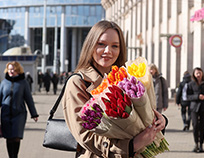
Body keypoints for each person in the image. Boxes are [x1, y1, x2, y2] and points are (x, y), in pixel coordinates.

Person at [62, 20, 167, 158]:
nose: (108, 51)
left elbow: (142, 113)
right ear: (90, 45)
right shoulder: (78, 82)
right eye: (101, 44)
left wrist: (159, 122)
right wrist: (131, 145)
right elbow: (84, 135)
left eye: (115, 46)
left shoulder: (128, 77)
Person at [0, 61, 39, 158]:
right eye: (9, 69)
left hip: (19, 115)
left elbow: (29, 99)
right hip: (6, 115)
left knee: (16, 137)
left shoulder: (23, 83)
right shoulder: (4, 82)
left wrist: (34, 114)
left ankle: (15, 156)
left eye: (13, 69)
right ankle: (11, 156)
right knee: (9, 138)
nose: (11, 71)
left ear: (18, 70)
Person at [187, 67, 204, 153]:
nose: (198, 75)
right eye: (197, 73)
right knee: (195, 125)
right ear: (194, 74)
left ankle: (201, 144)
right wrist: (197, 97)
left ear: (202, 74)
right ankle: (196, 144)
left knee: (202, 126)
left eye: (200, 73)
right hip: (194, 107)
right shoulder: (191, 84)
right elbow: (187, 96)